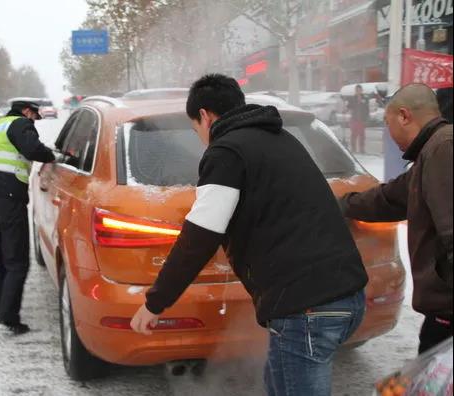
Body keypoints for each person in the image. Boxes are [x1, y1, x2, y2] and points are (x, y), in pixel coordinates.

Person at [130, 74, 368, 396]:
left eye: (195, 128)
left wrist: (155, 303)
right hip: (345, 295)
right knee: (277, 384)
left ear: (204, 115)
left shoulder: (226, 151)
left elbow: (199, 236)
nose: (200, 137)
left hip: (307, 307)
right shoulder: (281, 138)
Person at [340, 83, 453, 354]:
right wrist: (341, 204)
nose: (389, 135)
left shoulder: (443, 148)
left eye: (387, 125)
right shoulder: (431, 152)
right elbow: (390, 198)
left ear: (404, 116)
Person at [0, 100, 64, 335]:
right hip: (9, 199)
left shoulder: (1, 124)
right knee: (17, 261)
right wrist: (53, 156)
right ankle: (9, 316)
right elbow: (33, 149)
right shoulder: (20, 123)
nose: (35, 122)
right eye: (35, 117)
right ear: (27, 112)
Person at [348, 84, 369, 153]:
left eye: (359, 90)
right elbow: (349, 106)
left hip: (362, 119)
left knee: (362, 135)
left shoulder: (365, 98)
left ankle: (362, 149)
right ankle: (353, 148)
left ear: (361, 90)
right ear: (355, 91)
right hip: (354, 119)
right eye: (357, 90)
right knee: (353, 134)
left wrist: (366, 118)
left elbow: (367, 109)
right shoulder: (352, 98)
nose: (358, 91)